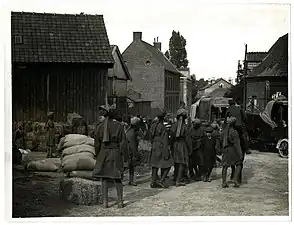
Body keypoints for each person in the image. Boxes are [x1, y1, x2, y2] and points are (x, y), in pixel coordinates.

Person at [92, 106, 126, 208]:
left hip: (104, 153)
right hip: (115, 153)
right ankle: (120, 201)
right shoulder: (119, 126)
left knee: (105, 178)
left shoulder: (99, 127)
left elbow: (96, 143)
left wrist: (98, 154)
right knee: (117, 177)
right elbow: (123, 142)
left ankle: (105, 202)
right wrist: (122, 154)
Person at [149, 110, 174, 188]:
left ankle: (153, 181)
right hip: (161, 146)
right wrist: (166, 152)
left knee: (154, 165)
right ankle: (161, 180)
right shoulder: (162, 127)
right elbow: (165, 140)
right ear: (164, 117)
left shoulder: (153, 125)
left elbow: (150, 137)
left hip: (154, 146)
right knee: (169, 163)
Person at [170, 108, 192, 186]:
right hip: (182, 145)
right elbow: (188, 139)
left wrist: (171, 145)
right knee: (182, 163)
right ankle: (178, 180)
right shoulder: (185, 127)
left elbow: (171, 137)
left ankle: (176, 178)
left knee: (176, 162)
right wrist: (190, 149)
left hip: (175, 145)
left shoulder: (173, 126)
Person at [220, 117, 243, 188]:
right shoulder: (234, 132)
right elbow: (237, 144)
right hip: (232, 150)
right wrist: (240, 154)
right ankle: (235, 180)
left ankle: (224, 182)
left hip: (225, 150)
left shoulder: (224, 131)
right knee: (239, 164)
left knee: (225, 166)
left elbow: (220, 140)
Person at [125, 116, 141, 186]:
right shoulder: (131, 133)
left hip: (128, 152)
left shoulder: (131, 131)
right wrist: (136, 155)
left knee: (131, 167)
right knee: (127, 167)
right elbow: (133, 146)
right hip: (129, 152)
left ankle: (131, 181)